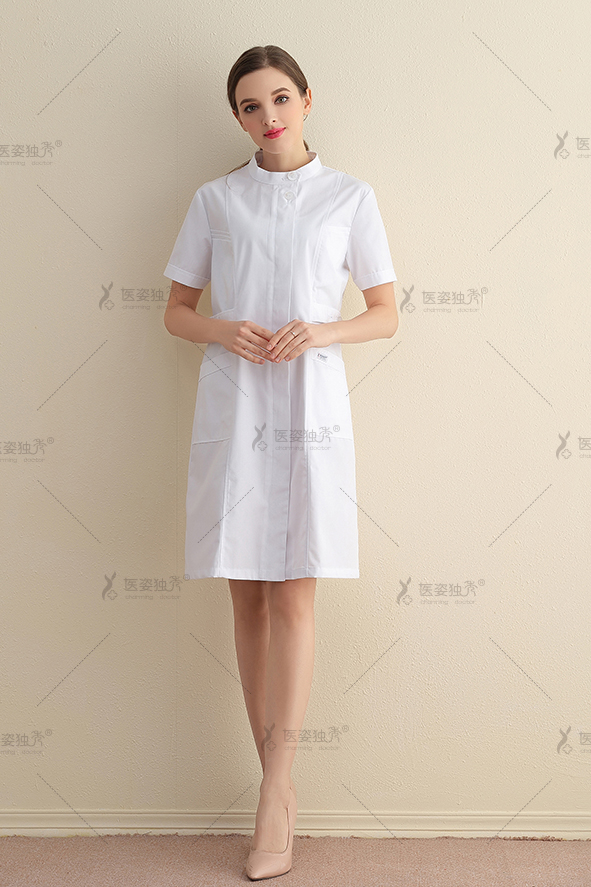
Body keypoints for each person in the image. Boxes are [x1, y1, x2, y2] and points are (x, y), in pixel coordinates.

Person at [163, 44, 399, 880]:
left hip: (309, 408)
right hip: (234, 405)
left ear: (305, 99)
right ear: (236, 117)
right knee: (246, 593)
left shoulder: (348, 197)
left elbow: (385, 311)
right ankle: (276, 776)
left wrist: (320, 329)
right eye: (250, 105)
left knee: (296, 590)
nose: (268, 116)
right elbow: (175, 310)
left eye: (280, 98)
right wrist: (224, 328)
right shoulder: (215, 199)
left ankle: (275, 788)